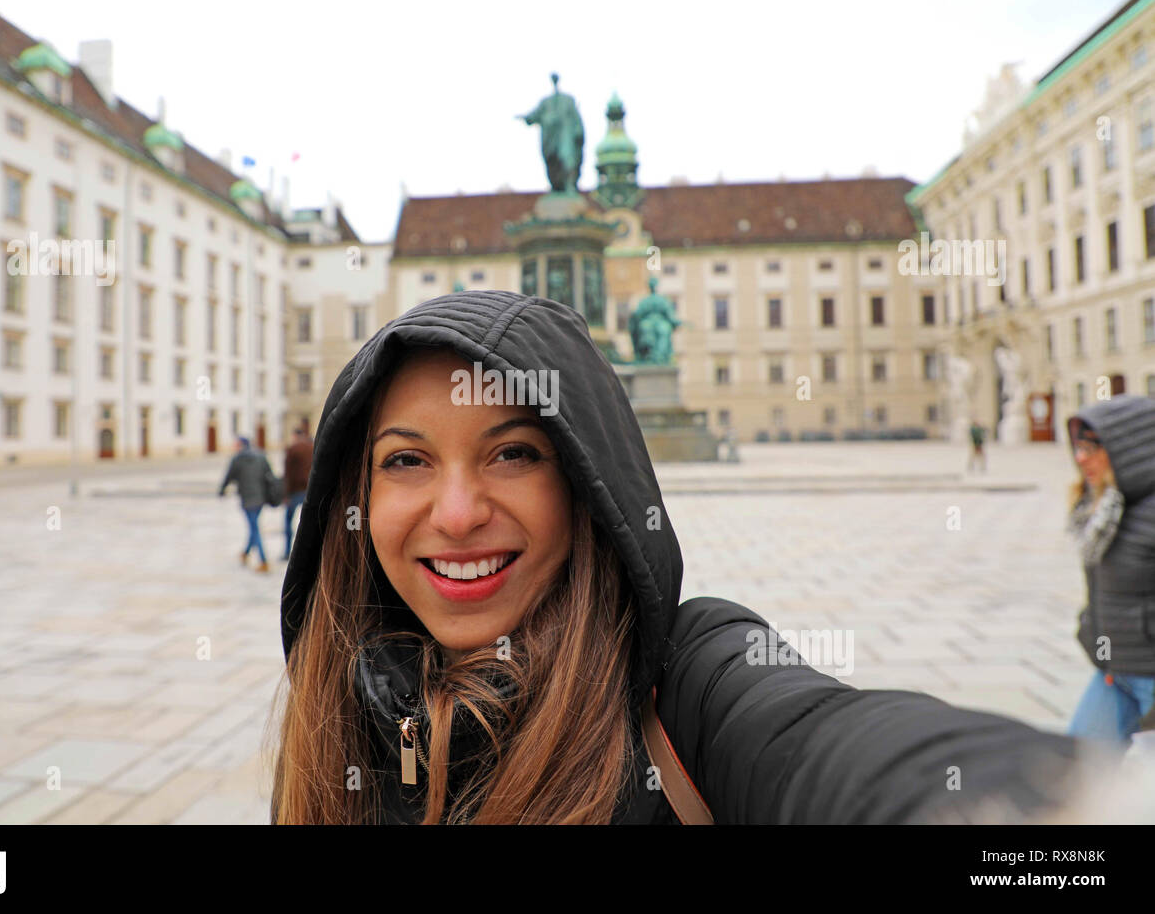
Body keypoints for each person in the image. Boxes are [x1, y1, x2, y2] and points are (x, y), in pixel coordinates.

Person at [272, 290, 1105, 824]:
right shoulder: (330, 717)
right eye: (407, 460)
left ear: (585, 485)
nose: (456, 515)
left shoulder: (690, 683)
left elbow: (830, 745)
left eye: (514, 453)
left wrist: (1056, 816)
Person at [1065, 395, 1155, 747]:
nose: (1081, 458)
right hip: (1114, 674)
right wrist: (1090, 631)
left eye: (1092, 447)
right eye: (1077, 447)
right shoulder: (1103, 508)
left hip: (1150, 674)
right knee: (1075, 778)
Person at [219, 435, 274, 573]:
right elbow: (270, 475)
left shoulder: (237, 459)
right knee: (253, 525)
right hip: (260, 498)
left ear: (241, 445)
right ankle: (245, 553)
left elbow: (228, 476)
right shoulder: (261, 457)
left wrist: (221, 490)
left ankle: (263, 561)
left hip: (247, 498)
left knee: (254, 528)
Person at [283, 425, 314, 561]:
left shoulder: (292, 449)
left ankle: (287, 551)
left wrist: (286, 494)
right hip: (310, 489)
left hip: (295, 491)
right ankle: (310, 552)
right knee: (310, 522)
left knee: (288, 521)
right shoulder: (312, 447)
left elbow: (288, 474)